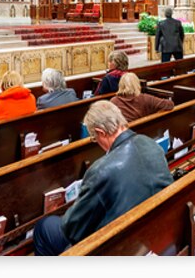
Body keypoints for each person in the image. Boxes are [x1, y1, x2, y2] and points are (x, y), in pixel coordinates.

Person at [33, 101, 173, 255]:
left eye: (94, 137)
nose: (96, 142)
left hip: (120, 246)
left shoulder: (101, 170)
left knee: (44, 226)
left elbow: (72, 230)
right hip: (158, 227)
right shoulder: (151, 144)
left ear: (101, 132)